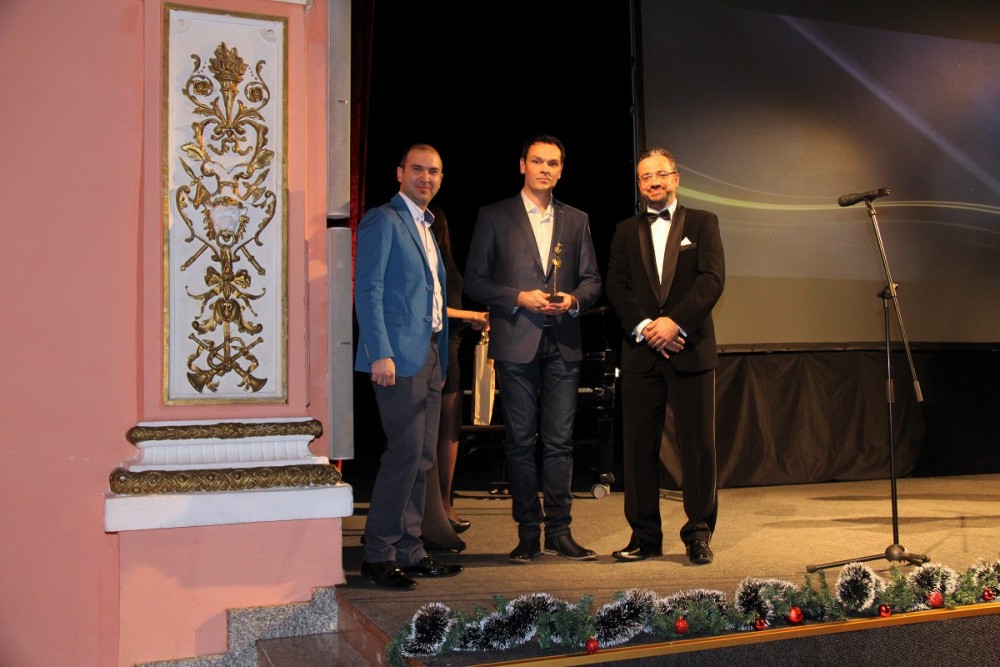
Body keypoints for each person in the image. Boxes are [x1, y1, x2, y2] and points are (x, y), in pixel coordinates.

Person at [464, 135, 602, 564]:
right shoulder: (494, 216)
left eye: (553, 163)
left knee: (560, 443)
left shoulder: (577, 219)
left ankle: (560, 531)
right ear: (522, 164)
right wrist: (518, 297)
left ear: (561, 170)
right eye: (538, 161)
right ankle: (528, 532)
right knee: (521, 443)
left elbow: (593, 281)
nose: (545, 169)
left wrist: (574, 300)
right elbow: (475, 281)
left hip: (563, 342)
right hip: (515, 340)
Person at [605, 147, 725, 565]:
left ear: (676, 178)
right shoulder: (624, 231)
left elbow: (712, 280)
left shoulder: (704, 222)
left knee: (699, 448)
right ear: (639, 185)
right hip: (641, 353)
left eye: (660, 174)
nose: (653, 182)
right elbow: (617, 286)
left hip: (690, 348)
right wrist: (646, 327)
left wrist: (675, 323)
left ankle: (699, 534)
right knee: (639, 448)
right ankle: (644, 537)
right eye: (645, 177)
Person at [354, 144, 463, 589]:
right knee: (403, 453)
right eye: (417, 169)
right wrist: (379, 351)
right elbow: (369, 289)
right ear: (399, 172)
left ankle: (410, 549)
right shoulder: (384, 219)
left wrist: (441, 355)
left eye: (434, 171)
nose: (426, 177)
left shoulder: (428, 226)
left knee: (422, 457)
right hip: (397, 357)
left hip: (430, 354)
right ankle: (378, 554)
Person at [420, 207, 489, 552]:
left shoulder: (443, 253)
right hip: (436, 343)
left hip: (454, 342)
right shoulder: (422, 251)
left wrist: (469, 319)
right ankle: (434, 510)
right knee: (435, 430)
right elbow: (429, 307)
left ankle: (444, 504)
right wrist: (472, 314)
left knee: (450, 428)